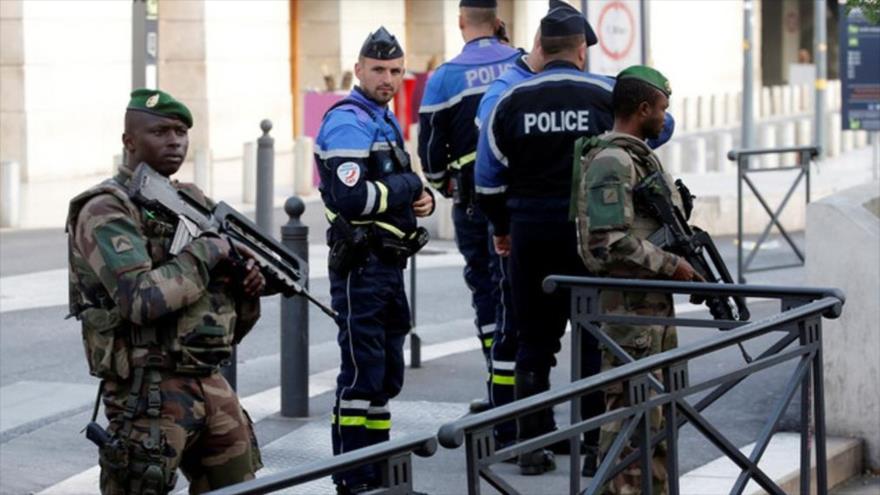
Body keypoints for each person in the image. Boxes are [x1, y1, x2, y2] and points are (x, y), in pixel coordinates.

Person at [67, 89, 265, 494]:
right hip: (146, 390)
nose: (175, 140)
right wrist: (209, 250)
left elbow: (229, 322)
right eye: (160, 131)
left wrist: (246, 286)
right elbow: (141, 300)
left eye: (181, 131)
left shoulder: (190, 202)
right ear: (129, 141)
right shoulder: (106, 209)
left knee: (240, 487)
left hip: (208, 379)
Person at [477, 4, 610, 476]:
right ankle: (597, 447)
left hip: (530, 233)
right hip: (589, 234)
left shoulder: (509, 100)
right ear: (579, 50)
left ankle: (532, 446)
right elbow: (656, 129)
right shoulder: (604, 94)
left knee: (533, 341)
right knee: (594, 339)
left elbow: (487, 179)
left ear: (540, 47)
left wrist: (502, 228)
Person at [315, 27, 435, 495]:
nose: (388, 78)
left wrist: (419, 202)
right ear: (359, 69)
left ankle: (380, 467)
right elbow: (352, 198)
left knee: (384, 375)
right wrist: (410, 187)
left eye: (396, 71)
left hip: (387, 265)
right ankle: (353, 476)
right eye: (379, 70)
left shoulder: (381, 119)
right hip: (362, 267)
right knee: (361, 375)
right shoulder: (350, 121)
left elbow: (386, 189)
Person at [575, 66, 703, 495]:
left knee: (658, 417)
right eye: (663, 108)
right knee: (631, 417)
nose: (666, 117)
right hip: (629, 309)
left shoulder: (635, 155)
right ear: (643, 108)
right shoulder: (611, 159)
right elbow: (606, 239)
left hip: (650, 307)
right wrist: (672, 266)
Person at [417, 0, 520, 415]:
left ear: (460, 22)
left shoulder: (444, 78)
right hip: (521, 198)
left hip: (473, 198)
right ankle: (527, 398)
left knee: (487, 296)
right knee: (519, 296)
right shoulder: (521, 64)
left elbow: (429, 152)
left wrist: (445, 185)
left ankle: (500, 397)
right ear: (497, 22)